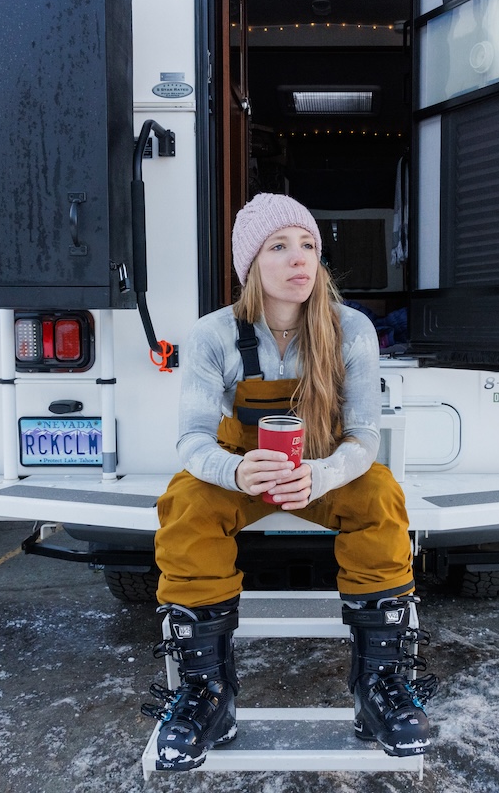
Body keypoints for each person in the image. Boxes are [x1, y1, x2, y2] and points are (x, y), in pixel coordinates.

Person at [142, 193, 436, 771]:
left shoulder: (350, 328)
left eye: (308, 246)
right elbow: (191, 441)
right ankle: (208, 695)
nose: (298, 258)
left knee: (380, 495)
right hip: (241, 470)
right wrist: (235, 470)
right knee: (184, 505)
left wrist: (321, 475)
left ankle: (378, 687)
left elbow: (365, 438)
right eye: (279, 246)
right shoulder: (212, 335)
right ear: (251, 265)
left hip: (321, 472)